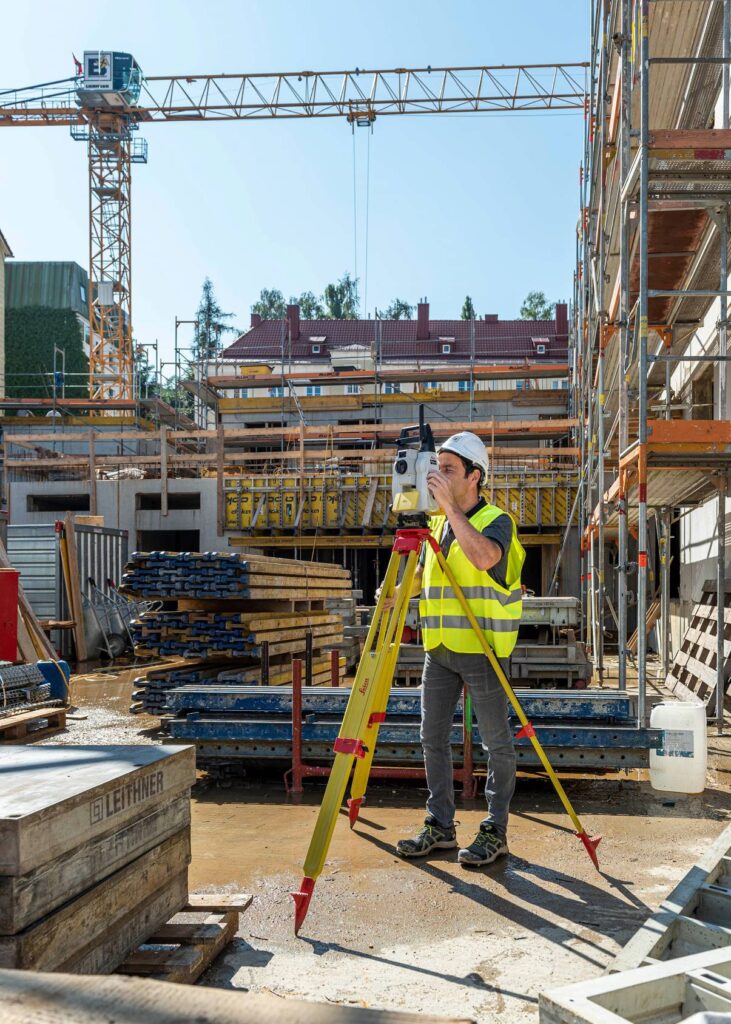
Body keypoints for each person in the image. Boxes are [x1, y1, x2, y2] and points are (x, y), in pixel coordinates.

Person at [388, 431, 525, 866]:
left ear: (474, 476)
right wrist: (394, 592)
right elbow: (425, 576)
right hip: (440, 649)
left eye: (448, 470)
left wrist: (447, 507)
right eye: (436, 467)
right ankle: (440, 825)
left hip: (483, 651)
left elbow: (484, 558)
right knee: (431, 738)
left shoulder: (496, 521)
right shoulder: (435, 524)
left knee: (495, 744)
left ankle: (495, 830)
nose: (437, 476)